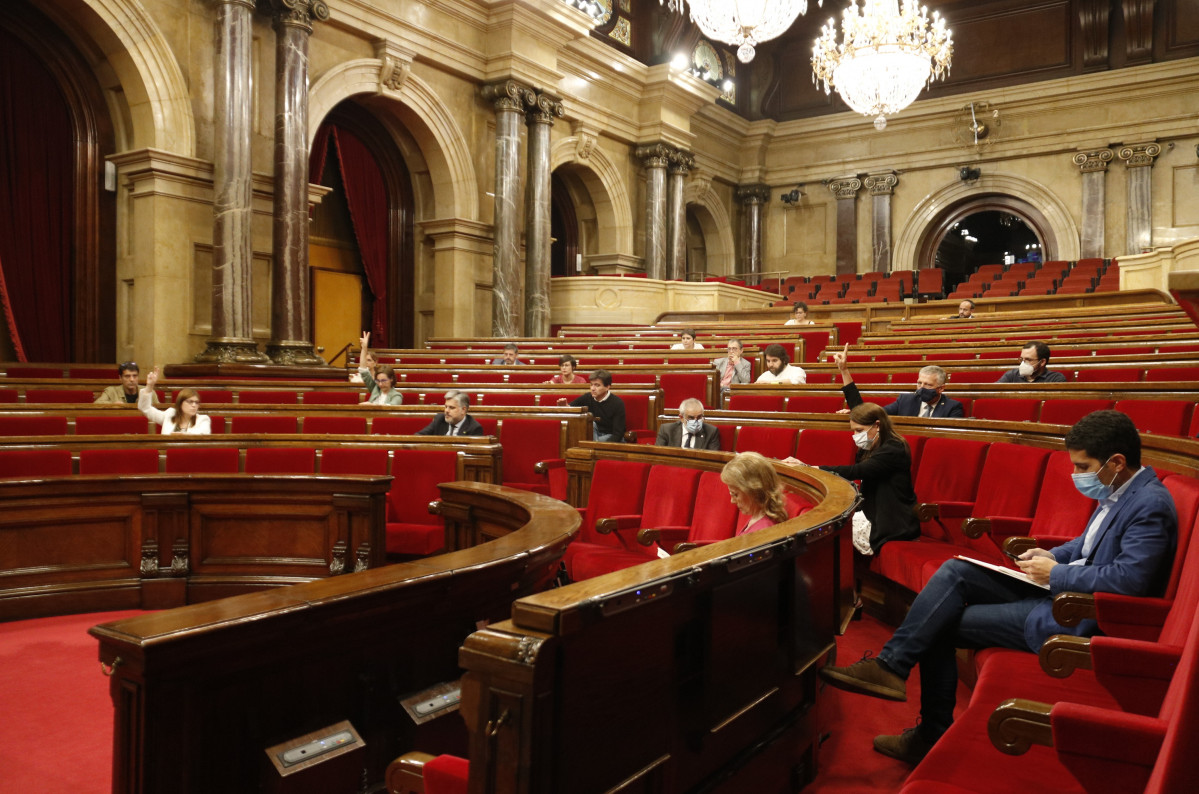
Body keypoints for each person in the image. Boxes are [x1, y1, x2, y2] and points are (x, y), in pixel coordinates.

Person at [819, 410, 1177, 765]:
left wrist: (1055, 574)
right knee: (956, 570)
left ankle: (923, 723)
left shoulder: (1150, 504)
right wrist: (1051, 554)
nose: (1076, 475)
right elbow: (1086, 546)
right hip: (1058, 589)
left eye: (1083, 467)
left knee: (936, 624)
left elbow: (1129, 580)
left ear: (1116, 462)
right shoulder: (1121, 490)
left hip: (1074, 613)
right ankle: (892, 669)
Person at [787, 401, 920, 555]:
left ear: (877, 425)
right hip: (872, 511)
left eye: (859, 430)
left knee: (825, 535)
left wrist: (810, 468)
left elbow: (858, 471)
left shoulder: (894, 448)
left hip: (891, 520)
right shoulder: (869, 447)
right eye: (854, 431)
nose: (855, 436)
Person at [832, 344, 965, 418]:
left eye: (928, 385)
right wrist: (844, 370)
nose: (921, 388)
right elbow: (874, 415)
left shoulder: (952, 407)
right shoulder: (905, 401)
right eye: (919, 383)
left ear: (941, 388)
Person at [720, 451, 790, 535]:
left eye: (735, 494)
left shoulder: (762, 531)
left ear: (754, 491)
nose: (732, 501)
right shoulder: (758, 517)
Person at [138, 367, 211, 435]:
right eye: (190, 402)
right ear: (180, 403)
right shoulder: (169, 415)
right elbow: (145, 408)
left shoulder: (203, 419)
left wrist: (181, 435)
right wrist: (149, 386)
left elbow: (202, 435)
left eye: (196, 402)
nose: (194, 405)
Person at [559, 370, 625, 442]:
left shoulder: (617, 403)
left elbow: (618, 434)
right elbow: (571, 409)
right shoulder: (587, 397)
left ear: (607, 387)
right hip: (592, 434)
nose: (593, 388)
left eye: (597, 385)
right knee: (591, 423)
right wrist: (564, 407)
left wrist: (598, 445)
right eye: (591, 384)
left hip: (609, 436)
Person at [655, 397, 721, 450]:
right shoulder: (666, 430)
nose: (696, 421)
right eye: (691, 418)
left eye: (699, 417)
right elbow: (658, 456)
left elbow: (711, 460)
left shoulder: (711, 432)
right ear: (681, 418)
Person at [357, 331, 403, 405]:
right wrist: (364, 348)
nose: (380, 384)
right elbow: (363, 370)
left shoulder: (397, 396)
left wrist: (371, 405)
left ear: (391, 379)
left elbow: (390, 408)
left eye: (383, 381)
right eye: (378, 381)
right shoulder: (376, 388)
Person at [416, 391, 484, 436]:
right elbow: (419, 437)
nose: (446, 411)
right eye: (446, 407)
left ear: (463, 410)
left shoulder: (474, 428)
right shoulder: (439, 419)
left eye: (451, 408)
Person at [996, 340, 1066, 383]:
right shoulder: (1011, 375)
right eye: (1021, 359)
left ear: (1042, 362)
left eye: (1029, 360)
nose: (1023, 363)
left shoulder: (1055, 379)